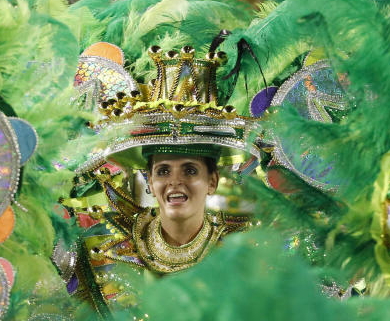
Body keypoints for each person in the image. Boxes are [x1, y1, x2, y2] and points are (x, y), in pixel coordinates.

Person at [61, 44, 262, 316]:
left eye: (190, 170)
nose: (175, 182)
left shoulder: (245, 254)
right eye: (163, 171)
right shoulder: (106, 252)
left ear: (212, 181)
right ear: (149, 180)